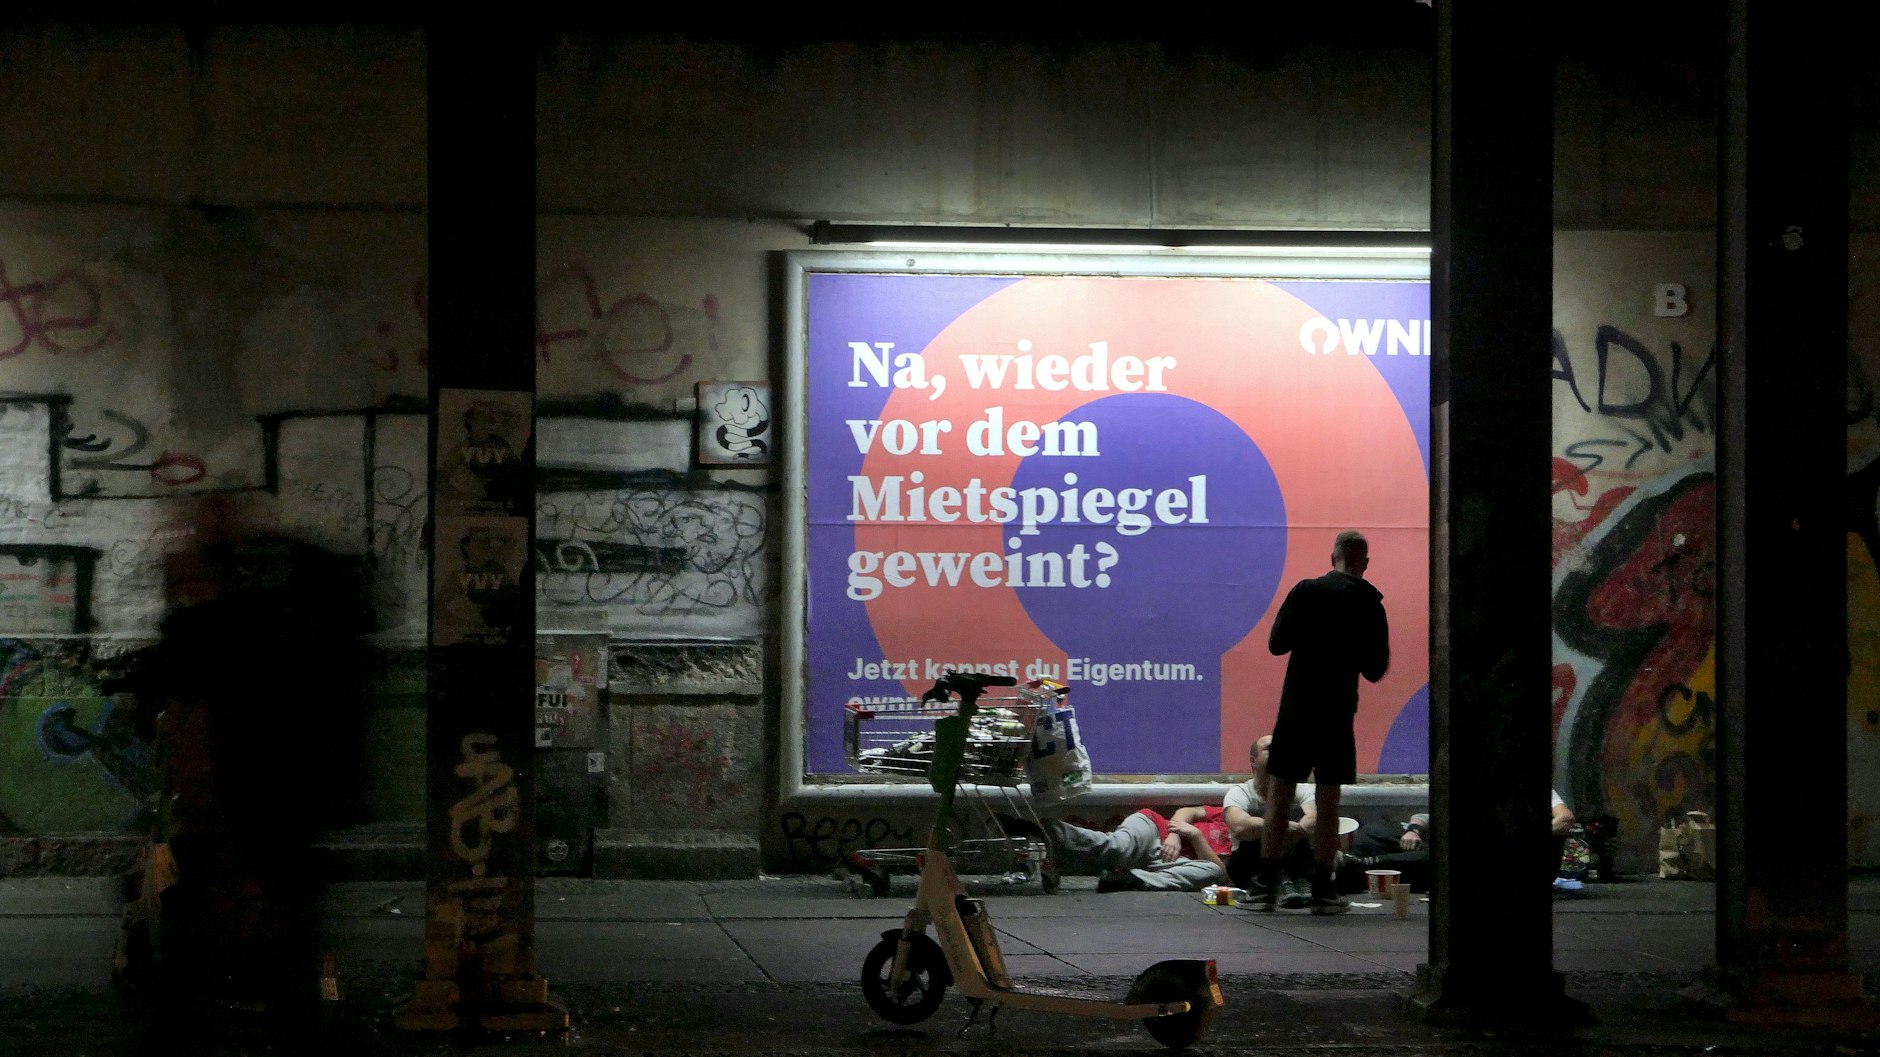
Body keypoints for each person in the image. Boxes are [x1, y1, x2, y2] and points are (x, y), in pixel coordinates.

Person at [1254, 529, 1390, 915]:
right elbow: (1376, 669)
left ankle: (1265, 885)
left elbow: (1276, 643)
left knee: (1281, 792)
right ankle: (1323, 889)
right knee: (1328, 799)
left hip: (1297, 706)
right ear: (1363, 562)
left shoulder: (1306, 591)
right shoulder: (1370, 603)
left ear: (1333, 558)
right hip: (1337, 710)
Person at [1006, 806, 1230, 892]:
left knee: (1213, 874)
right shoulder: (1226, 812)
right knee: (1117, 848)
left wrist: (1197, 836)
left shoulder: (1250, 849)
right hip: (1154, 830)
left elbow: (1221, 872)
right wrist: (1175, 834)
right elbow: (1186, 812)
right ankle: (1047, 830)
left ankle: (1130, 879)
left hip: (1171, 863)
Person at [1223, 735, 1318, 909]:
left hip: (1294, 856)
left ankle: (1297, 882)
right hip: (1250, 864)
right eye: (1269, 749)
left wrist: (1299, 828)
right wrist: (1280, 826)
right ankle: (1280, 882)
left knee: (1300, 823)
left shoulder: (1302, 789)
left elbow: (1314, 817)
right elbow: (1238, 826)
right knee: (1256, 831)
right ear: (1253, 760)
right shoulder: (1240, 792)